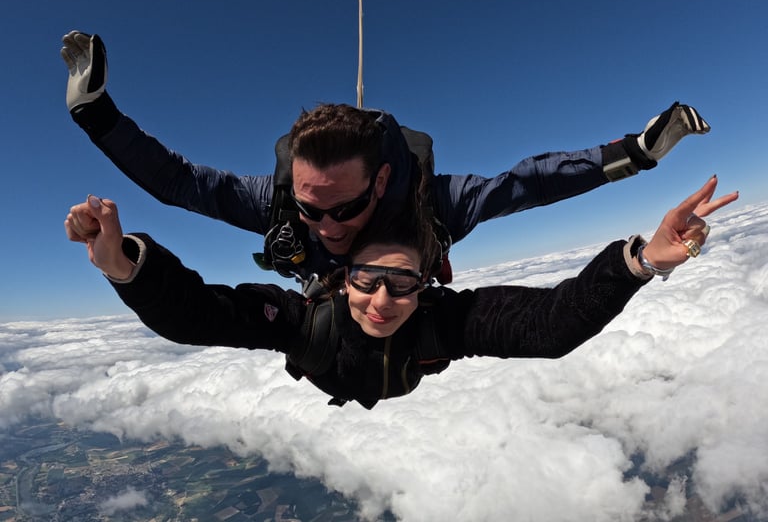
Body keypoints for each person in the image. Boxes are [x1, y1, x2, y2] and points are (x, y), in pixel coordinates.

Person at [61, 30, 712, 287]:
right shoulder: (280, 205)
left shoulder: (433, 203)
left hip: (409, 305)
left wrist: (635, 154)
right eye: (313, 209)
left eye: (344, 207)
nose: (329, 226)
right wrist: (95, 113)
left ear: (382, 180)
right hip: (324, 306)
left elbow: (528, 183)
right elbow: (177, 183)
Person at [65, 176, 738, 409]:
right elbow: (198, 317)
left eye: (402, 285)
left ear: (427, 284)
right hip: (331, 361)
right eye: (366, 282)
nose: (383, 301)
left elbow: (549, 325)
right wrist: (125, 264)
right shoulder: (305, 320)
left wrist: (643, 261)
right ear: (339, 279)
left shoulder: (440, 323)